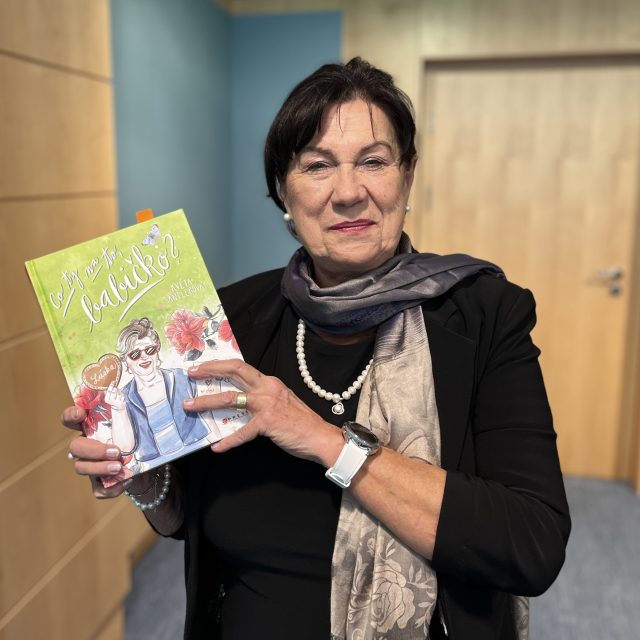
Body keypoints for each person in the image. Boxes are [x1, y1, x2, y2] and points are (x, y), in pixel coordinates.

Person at [63, 58, 570, 640]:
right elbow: (189, 517)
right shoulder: (227, 323)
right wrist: (143, 476)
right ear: (284, 190)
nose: (348, 192)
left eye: (373, 161)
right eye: (317, 165)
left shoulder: (485, 316)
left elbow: (531, 544)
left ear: (406, 177)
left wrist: (325, 440)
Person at [104, 317, 219, 472]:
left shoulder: (181, 377)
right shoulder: (123, 397)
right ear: (125, 360)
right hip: (157, 467)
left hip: (200, 450)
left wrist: (219, 443)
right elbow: (124, 449)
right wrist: (119, 410)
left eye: (149, 350)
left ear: (157, 349)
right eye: (135, 354)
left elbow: (207, 417)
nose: (144, 357)